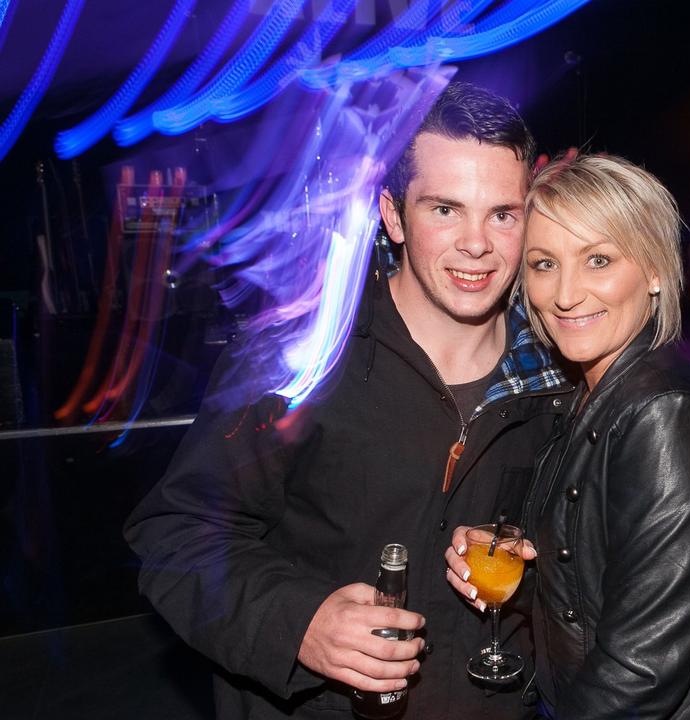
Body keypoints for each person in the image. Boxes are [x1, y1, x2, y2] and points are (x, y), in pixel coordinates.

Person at [124, 82, 571, 719]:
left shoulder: (557, 372)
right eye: (444, 209)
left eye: (503, 213)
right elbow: (176, 533)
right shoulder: (297, 355)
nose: (477, 243)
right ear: (392, 215)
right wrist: (299, 622)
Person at [446, 154, 690, 719]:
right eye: (543, 264)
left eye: (599, 260)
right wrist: (523, 573)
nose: (565, 294)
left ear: (656, 270)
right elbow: (597, 588)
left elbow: (642, 669)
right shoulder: (585, 394)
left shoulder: (666, 413)